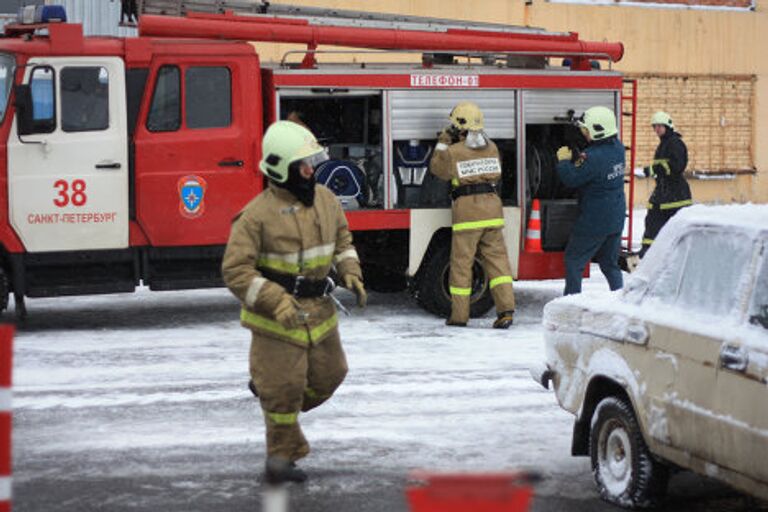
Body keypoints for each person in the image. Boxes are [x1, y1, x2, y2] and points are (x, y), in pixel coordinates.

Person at [222, 120, 367, 484]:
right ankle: (280, 459)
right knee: (284, 392)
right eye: (302, 165)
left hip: (320, 313)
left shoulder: (327, 200)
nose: (310, 170)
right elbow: (236, 270)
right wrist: (275, 301)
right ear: (280, 169)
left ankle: (270, 394)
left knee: (332, 375)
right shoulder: (256, 216)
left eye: (312, 162)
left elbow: (343, 239)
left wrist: (350, 270)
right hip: (277, 322)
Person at [429, 102, 515, 328]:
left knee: (461, 265)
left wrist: (442, 143)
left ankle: (459, 316)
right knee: (498, 265)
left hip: (468, 212)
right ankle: (506, 311)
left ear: (459, 127)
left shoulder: (454, 152)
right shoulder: (492, 147)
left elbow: (437, 170)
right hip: (493, 209)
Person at [556, 105, 626, 295]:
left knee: (573, 261)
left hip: (595, 220)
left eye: (586, 130)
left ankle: (572, 303)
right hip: (616, 217)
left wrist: (563, 162)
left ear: (597, 130)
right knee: (609, 264)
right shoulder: (618, 149)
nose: (583, 133)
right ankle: (621, 301)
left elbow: (571, 179)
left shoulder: (594, 158)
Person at [639, 111, 692, 257]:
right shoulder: (664, 144)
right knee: (652, 220)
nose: (656, 130)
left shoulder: (675, 143)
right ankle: (647, 252)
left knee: (675, 227)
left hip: (675, 195)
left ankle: (677, 254)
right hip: (663, 192)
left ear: (667, 126)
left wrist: (654, 169)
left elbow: (677, 166)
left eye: (659, 126)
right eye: (654, 127)